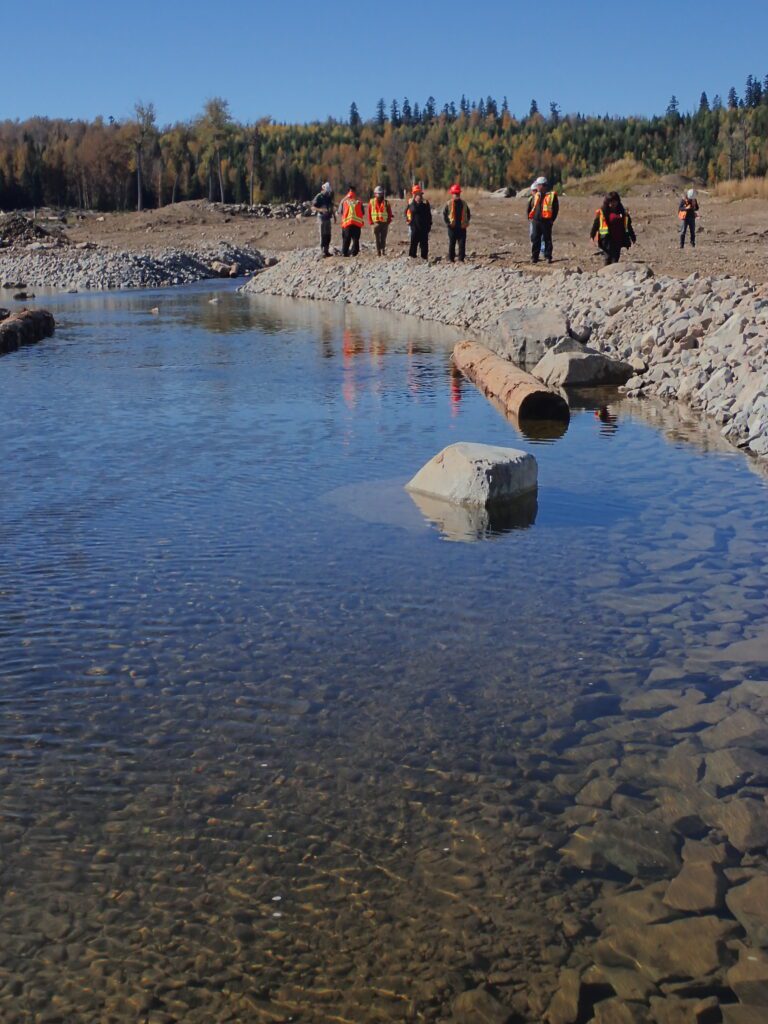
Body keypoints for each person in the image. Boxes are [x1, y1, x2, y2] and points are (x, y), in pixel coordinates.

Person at [590, 191, 637, 265]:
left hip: (618, 239)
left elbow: (628, 225)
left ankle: (613, 274)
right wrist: (592, 235)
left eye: (614, 202)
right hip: (606, 239)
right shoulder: (602, 212)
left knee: (615, 258)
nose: (612, 204)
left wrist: (632, 236)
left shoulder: (623, 213)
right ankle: (605, 273)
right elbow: (596, 224)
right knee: (608, 257)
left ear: (618, 202)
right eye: (610, 202)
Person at [527, 176, 559, 263]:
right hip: (536, 220)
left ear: (543, 186)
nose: (537, 187)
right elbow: (530, 206)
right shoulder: (536, 195)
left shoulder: (552, 196)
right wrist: (530, 218)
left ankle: (548, 256)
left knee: (547, 239)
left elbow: (555, 209)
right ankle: (535, 257)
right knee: (535, 239)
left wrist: (552, 220)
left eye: (538, 185)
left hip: (546, 221)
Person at [443, 184, 471, 262]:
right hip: (452, 227)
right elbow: (444, 215)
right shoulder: (448, 204)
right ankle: (451, 259)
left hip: (462, 227)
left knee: (462, 244)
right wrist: (448, 223)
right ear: (452, 194)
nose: (457, 195)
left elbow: (468, 213)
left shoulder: (464, 203)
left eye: (458, 193)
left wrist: (467, 222)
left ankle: (461, 259)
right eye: (455, 193)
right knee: (452, 244)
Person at [405, 184, 432, 259]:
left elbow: (429, 215)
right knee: (413, 243)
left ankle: (424, 258)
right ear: (413, 194)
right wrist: (408, 221)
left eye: (419, 194)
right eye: (416, 194)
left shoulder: (425, 203)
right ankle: (412, 257)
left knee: (424, 244)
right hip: (414, 227)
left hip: (424, 227)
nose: (418, 196)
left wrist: (429, 225)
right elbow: (406, 212)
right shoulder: (411, 203)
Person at [338, 185, 365, 257]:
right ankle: (354, 253)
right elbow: (363, 212)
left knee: (346, 239)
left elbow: (340, 211)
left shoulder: (344, 201)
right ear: (355, 191)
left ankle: (344, 252)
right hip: (356, 223)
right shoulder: (359, 201)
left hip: (347, 223)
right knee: (356, 239)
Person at [311, 181, 335, 257]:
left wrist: (334, 215)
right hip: (321, 217)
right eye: (327, 191)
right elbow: (313, 207)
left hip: (328, 217)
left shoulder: (328, 197)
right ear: (323, 189)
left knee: (328, 234)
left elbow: (331, 206)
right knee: (322, 234)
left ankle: (326, 250)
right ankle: (322, 250)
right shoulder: (319, 196)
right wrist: (321, 210)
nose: (328, 193)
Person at [368, 185, 393, 256]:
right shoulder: (371, 202)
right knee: (376, 239)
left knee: (383, 238)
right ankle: (378, 251)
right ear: (375, 194)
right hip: (375, 223)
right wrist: (371, 222)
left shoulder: (386, 203)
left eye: (380, 193)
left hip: (384, 223)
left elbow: (389, 213)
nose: (379, 195)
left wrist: (388, 221)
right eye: (378, 194)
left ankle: (383, 251)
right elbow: (369, 212)